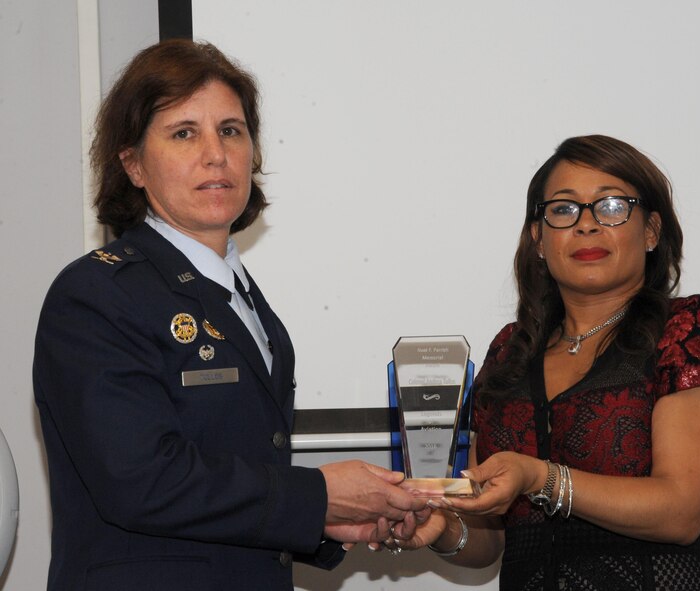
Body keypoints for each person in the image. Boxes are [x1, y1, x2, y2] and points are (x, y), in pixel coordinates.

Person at [32, 39, 426, 591]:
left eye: (231, 130)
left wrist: (328, 521)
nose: (215, 154)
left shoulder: (244, 301)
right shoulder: (95, 293)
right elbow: (141, 481)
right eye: (184, 133)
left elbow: (240, 473)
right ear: (133, 164)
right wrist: (318, 496)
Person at [393, 135, 700, 590]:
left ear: (651, 231)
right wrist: (442, 528)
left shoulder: (690, 327)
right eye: (564, 209)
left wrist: (540, 478)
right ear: (539, 239)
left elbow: (682, 512)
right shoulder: (510, 350)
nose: (586, 225)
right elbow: (489, 541)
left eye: (611, 206)